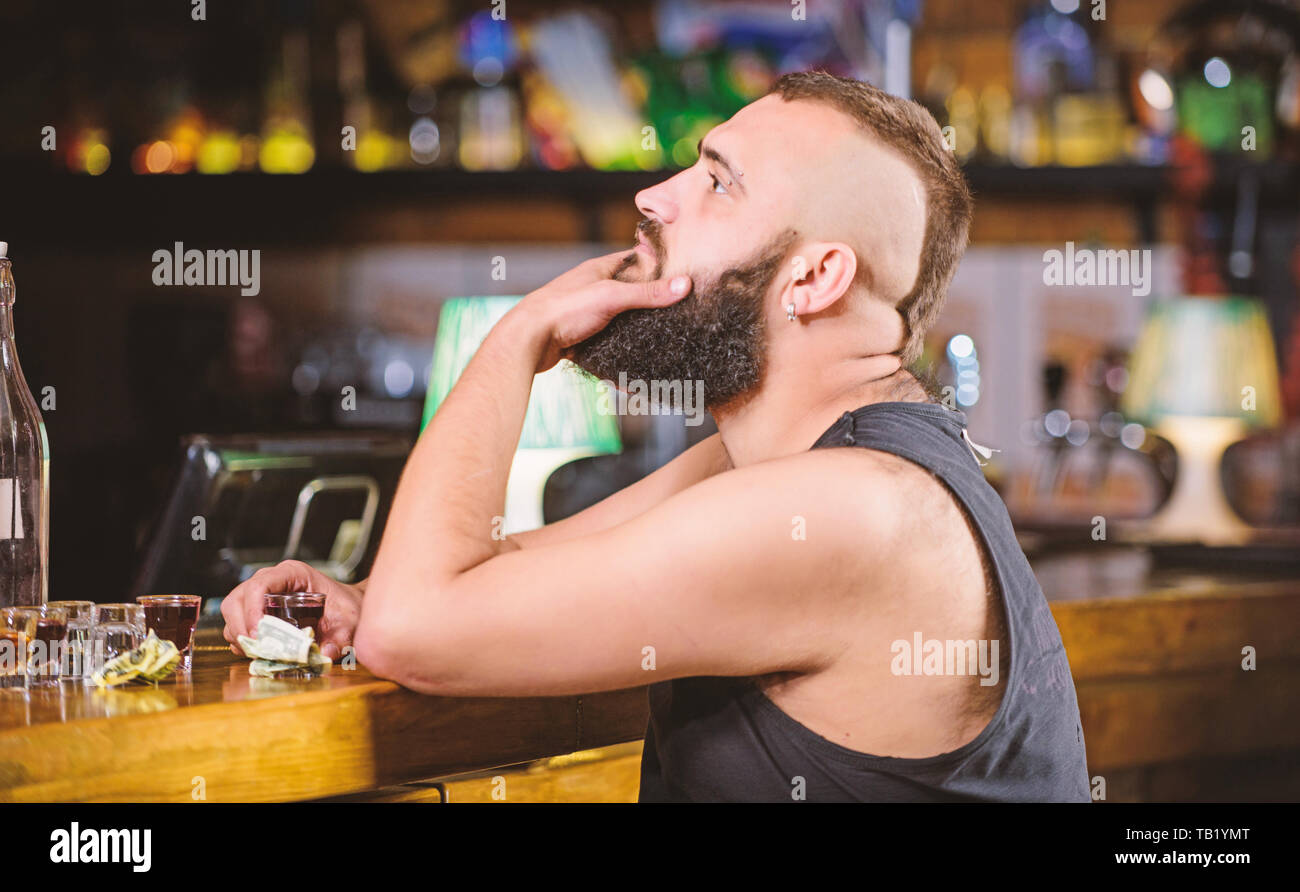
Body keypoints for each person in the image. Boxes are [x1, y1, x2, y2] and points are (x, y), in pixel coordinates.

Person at [222, 70, 1090, 802]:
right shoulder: (797, 461)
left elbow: (417, 633)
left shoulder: (852, 508)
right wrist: (354, 602)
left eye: (718, 182)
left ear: (817, 277)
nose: (654, 195)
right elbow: (490, 579)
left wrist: (518, 336)